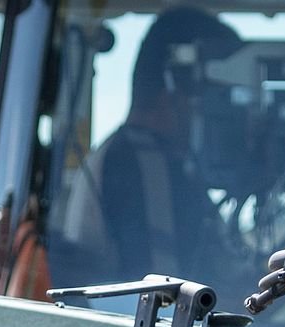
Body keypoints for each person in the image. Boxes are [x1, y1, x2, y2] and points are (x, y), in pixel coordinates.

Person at [88, 8, 241, 285]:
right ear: (177, 84)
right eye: (221, 94)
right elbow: (167, 300)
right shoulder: (143, 163)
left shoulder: (127, 154)